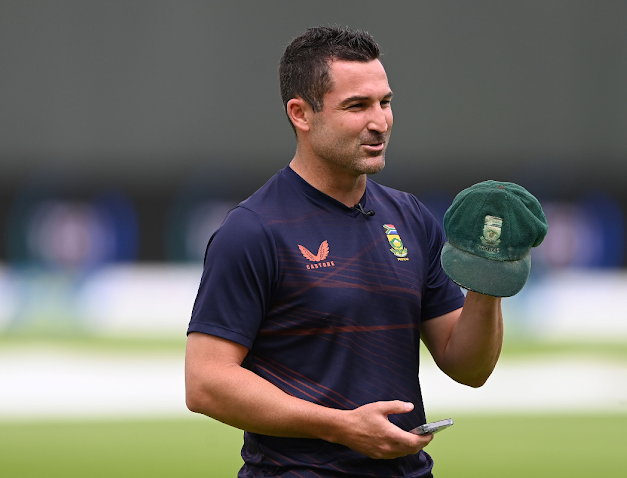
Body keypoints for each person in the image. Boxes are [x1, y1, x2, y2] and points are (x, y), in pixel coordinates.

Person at [185, 26, 503, 478]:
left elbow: (467, 366)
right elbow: (206, 384)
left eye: (385, 102)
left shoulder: (410, 216)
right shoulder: (253, 230)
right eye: (357, 106)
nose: (380, 122)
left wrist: (488, 281)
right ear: (301, 113)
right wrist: (341, 427)